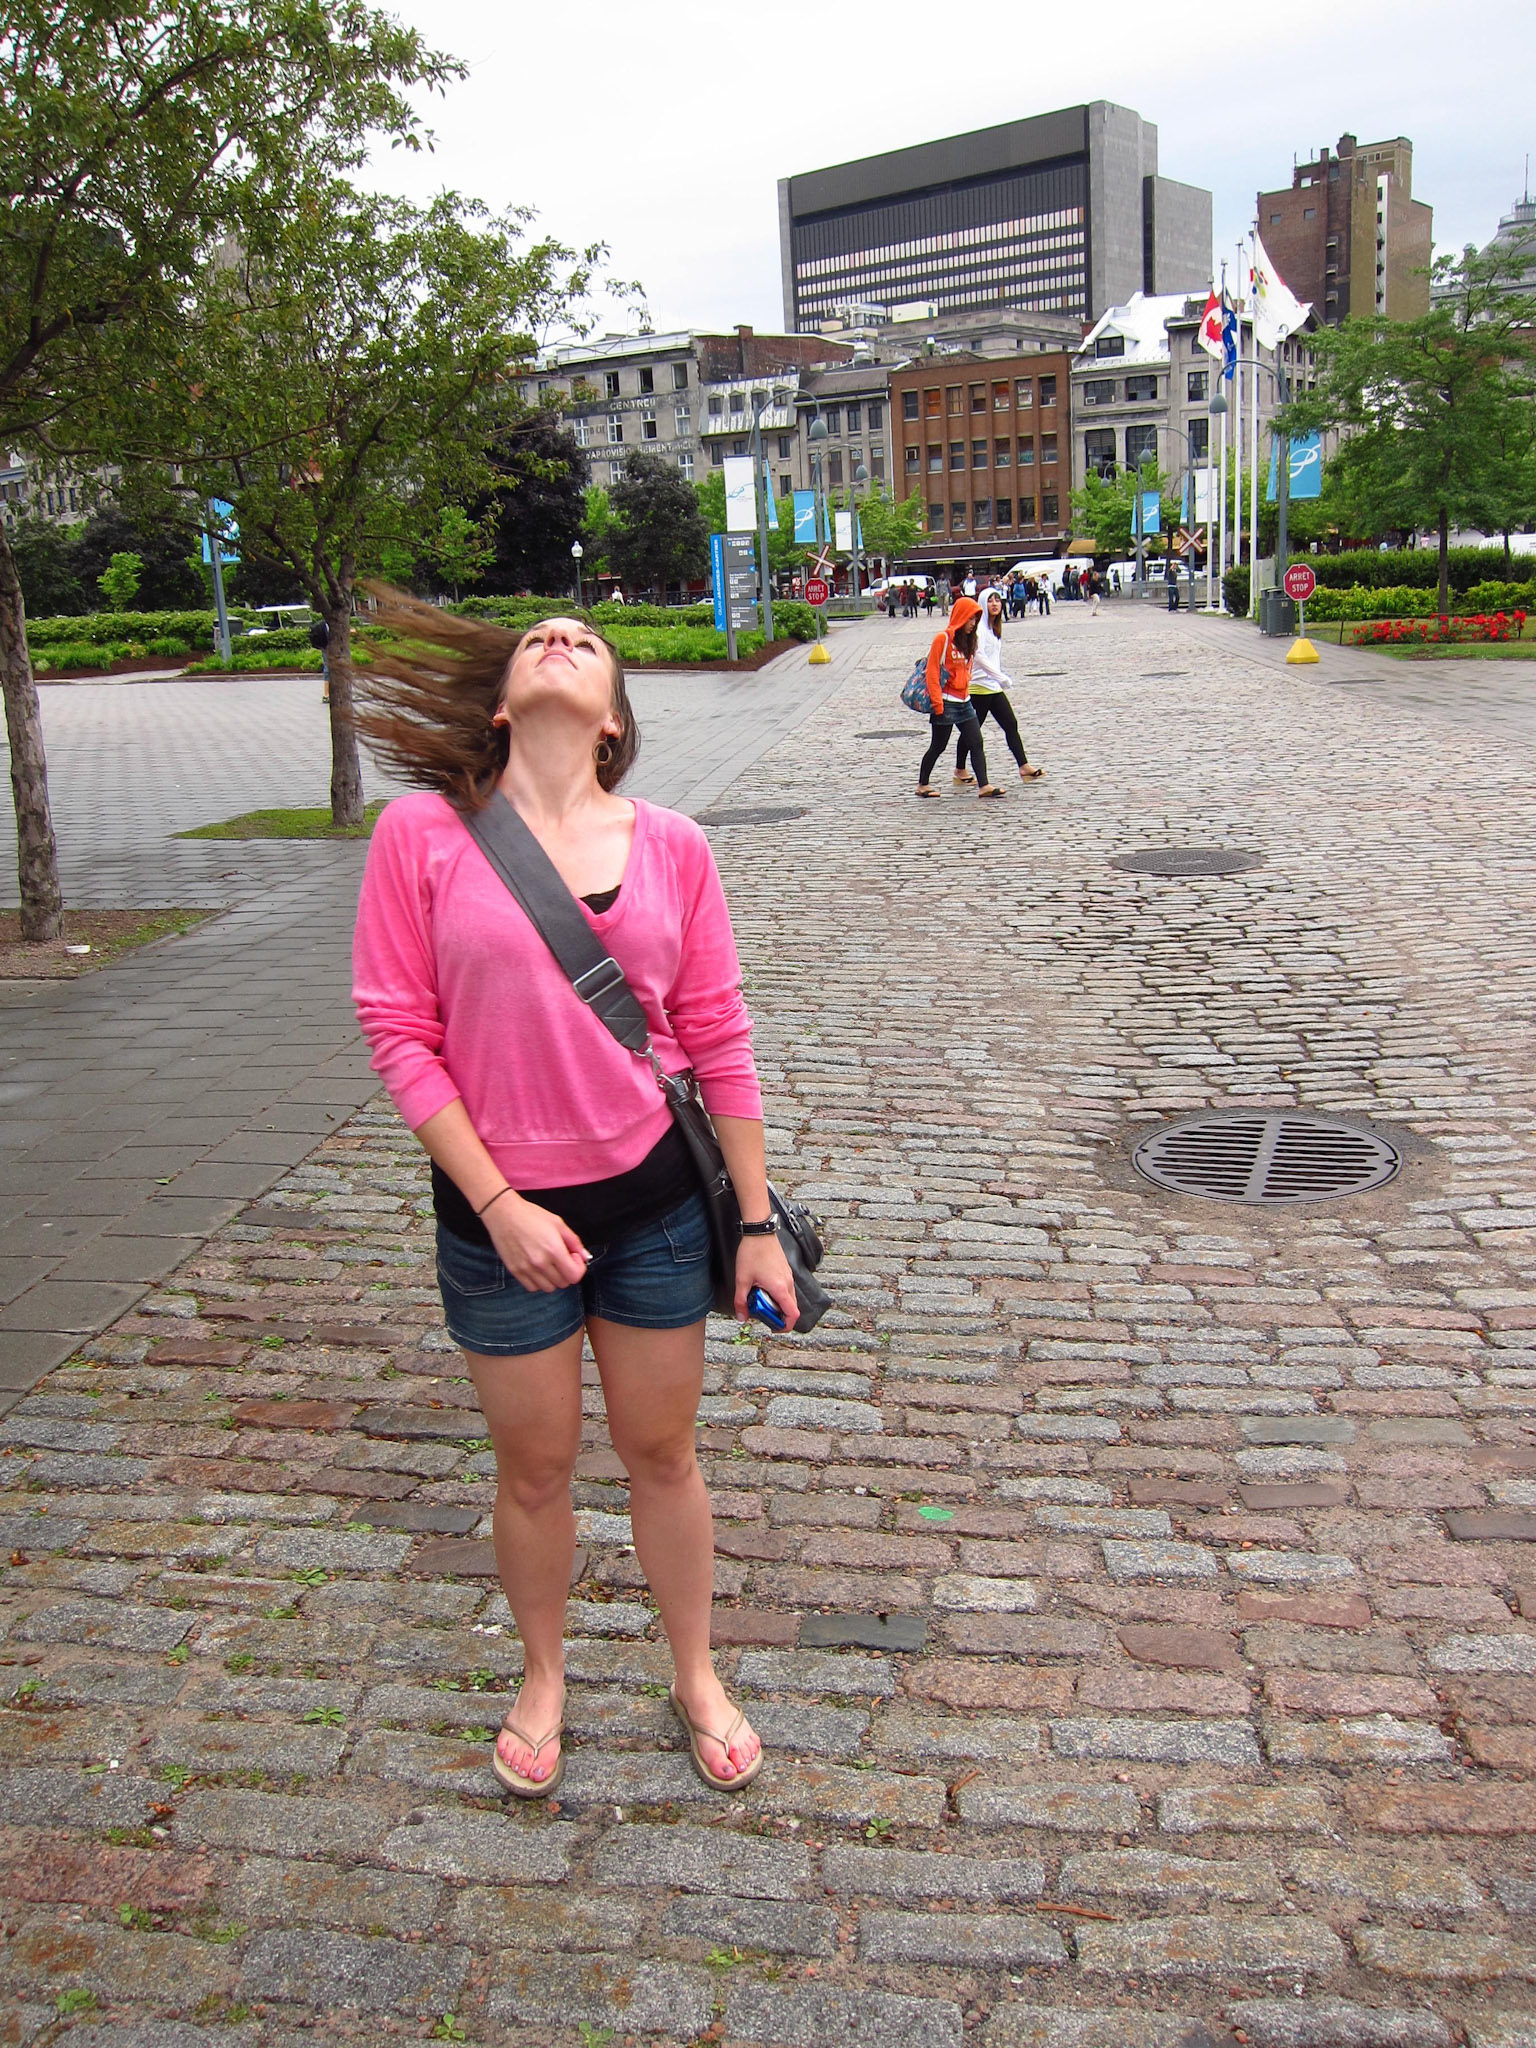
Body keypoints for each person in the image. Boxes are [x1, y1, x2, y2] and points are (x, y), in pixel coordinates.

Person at [351, 598, 796, 1800]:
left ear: (612, 722)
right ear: (502, 703)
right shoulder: (423, 835)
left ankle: (696, 1671)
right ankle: (543, 1672)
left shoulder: (675, 847)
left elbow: (720, 1038)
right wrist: (497, 1202)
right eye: (537, 635)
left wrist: (754, 1226)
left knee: (663, 1453)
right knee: (535, 1470)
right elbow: (397, 1031)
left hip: (653, 1208)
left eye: (586, 641)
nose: (560, 635)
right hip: (499, 1225)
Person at [915, 595, 1002, 801]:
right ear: (961, 617)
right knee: (938, 745)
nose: (973, 624)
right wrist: (937, 703)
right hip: (945, 701)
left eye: (975, 620)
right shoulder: (943, 639)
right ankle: (922, 784)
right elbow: (933, 672)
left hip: (964, 701)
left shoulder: (970, 641)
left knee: (976, 741)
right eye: (970, 619)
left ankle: (984, 785)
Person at [954, 586, 1043, 786]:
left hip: (993, 687)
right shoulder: (979, 629)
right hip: (979, 688)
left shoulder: (994, 629)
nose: (995, 604)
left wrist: (999, 679)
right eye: (990, 600)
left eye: (998, 600)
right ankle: (960, 768)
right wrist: (1001, 677)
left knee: (1010, 724)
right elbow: (979, 657)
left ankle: (1023, 765)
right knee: (972, 732)